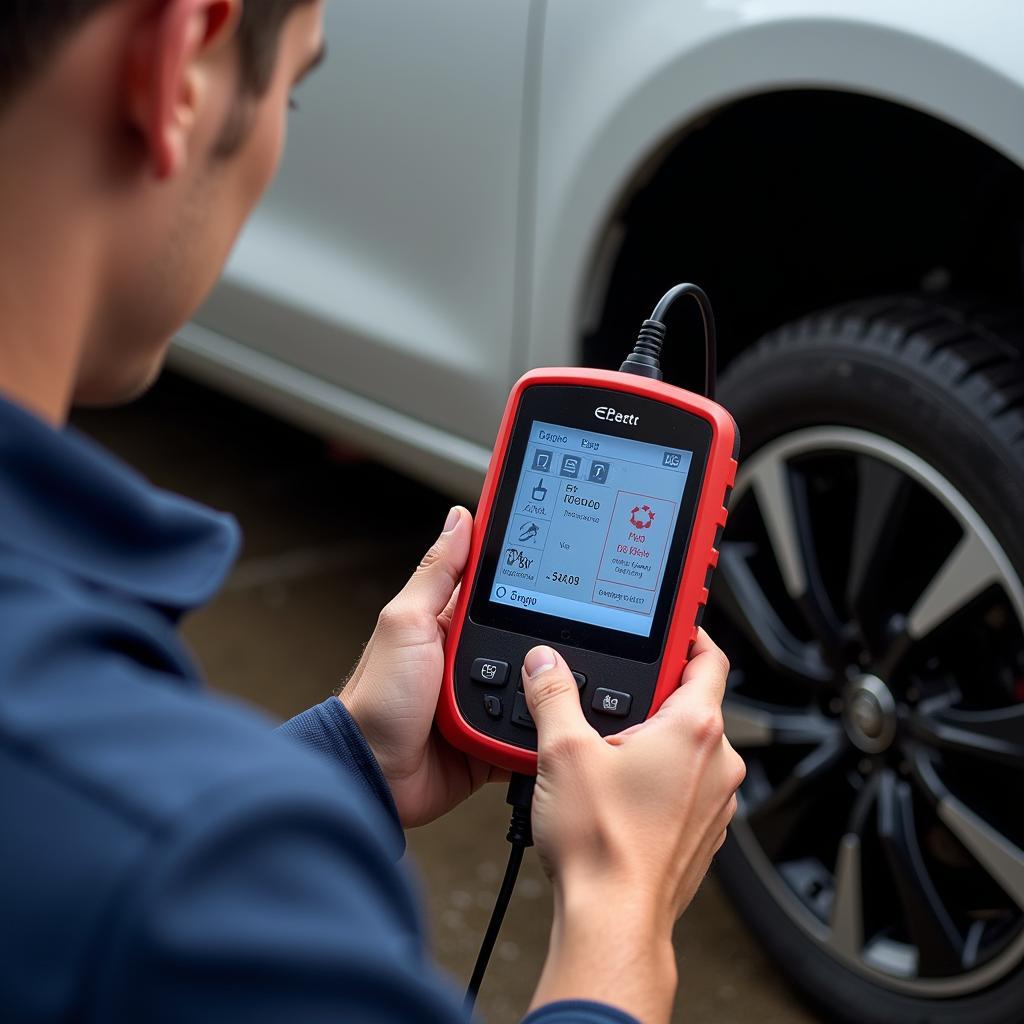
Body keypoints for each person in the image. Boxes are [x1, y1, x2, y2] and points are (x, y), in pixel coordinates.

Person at [0, 2, 746, 1022]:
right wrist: (620, 913)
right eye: (293, 93)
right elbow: (143, 859)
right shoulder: (186, 872)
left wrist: (346, 760)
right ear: (178, 64)